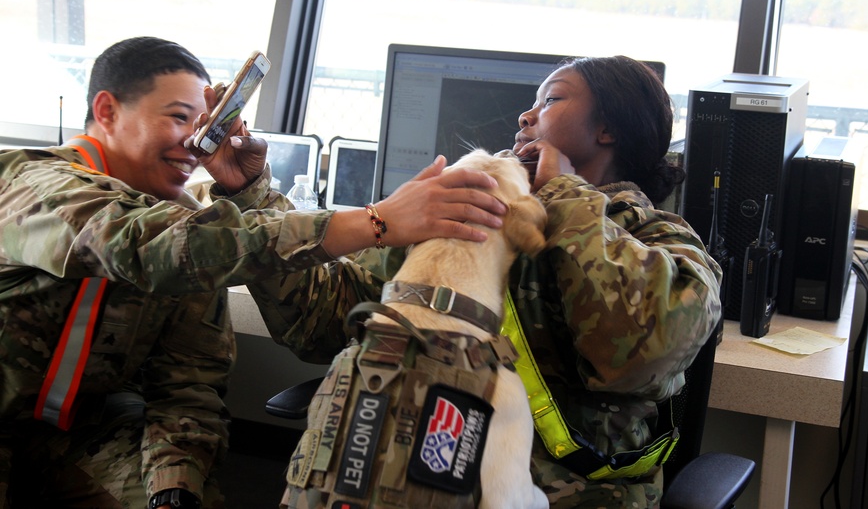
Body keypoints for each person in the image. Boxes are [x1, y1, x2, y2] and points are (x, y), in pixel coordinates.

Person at [0, 36, 508, 509]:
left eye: (205, 129)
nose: (193, 147)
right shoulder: (31, 184)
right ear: (107, 110)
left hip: (85, 431)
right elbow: (142, 244)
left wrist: (173, 490)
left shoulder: (190, 227)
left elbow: (188, 383)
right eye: (178, 119)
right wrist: (375, 221)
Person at [254, 55, 723, 507]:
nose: (526, 115)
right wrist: (253, 196)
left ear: (609, 129)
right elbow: (327, 320)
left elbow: (637, 351)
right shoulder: (472, 204)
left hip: (568, 496)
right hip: (415, 482)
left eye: (552, 100)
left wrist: (563, 195)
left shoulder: (660, 237)